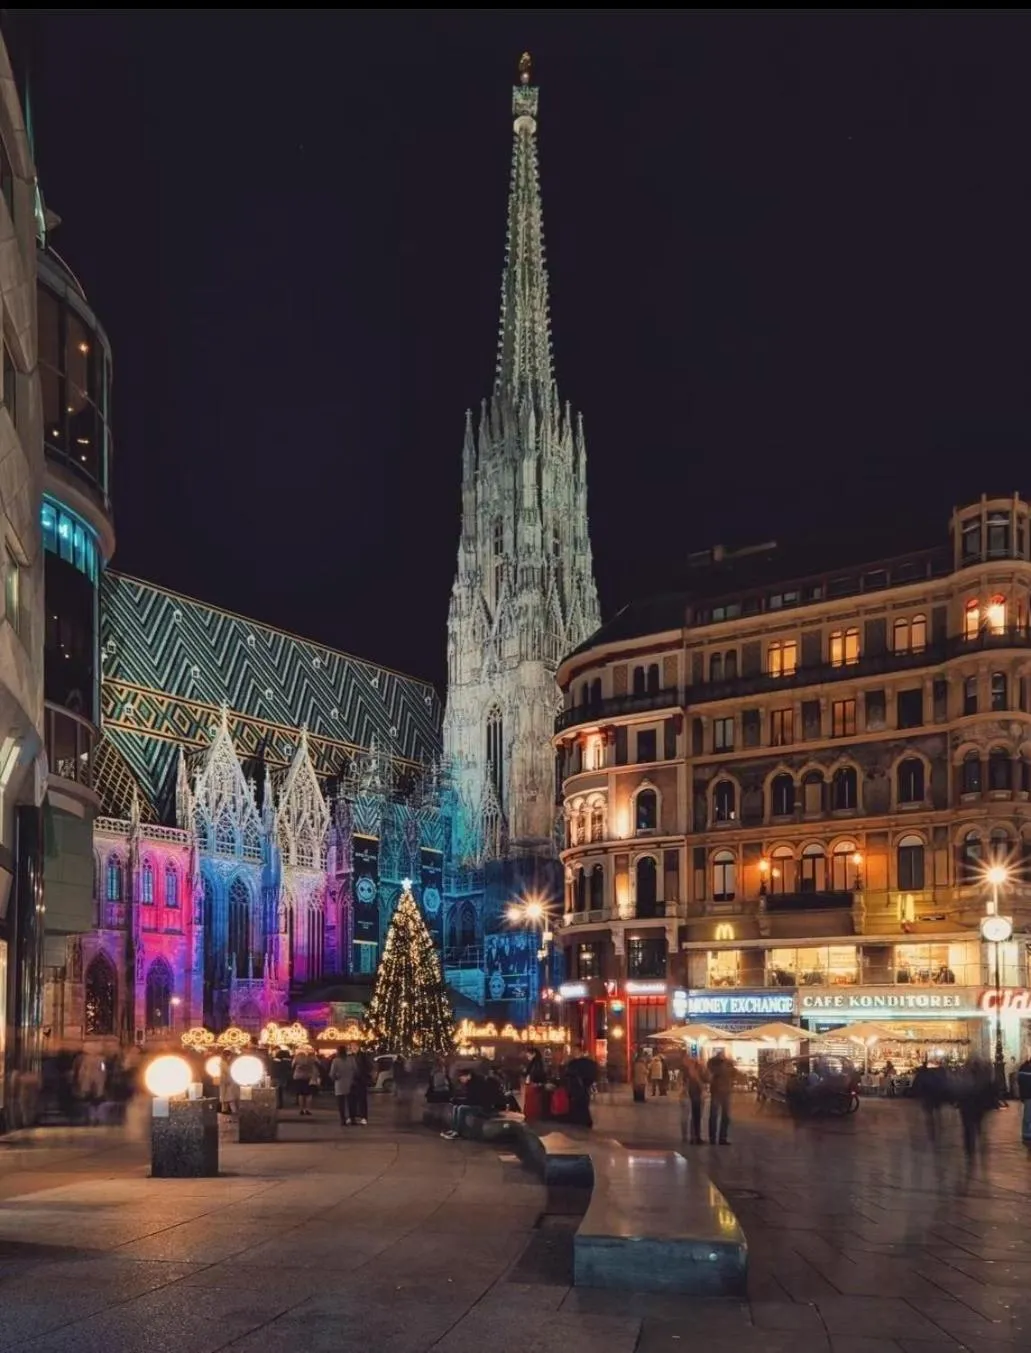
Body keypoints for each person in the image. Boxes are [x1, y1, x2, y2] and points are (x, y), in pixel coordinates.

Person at [564, 1045, 598, 1128]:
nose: (573, 1052)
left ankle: (583, 1121)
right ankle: (582, 1121)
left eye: (575, 1050)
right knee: (580, 1105)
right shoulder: (576, 1063)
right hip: (579, 1087)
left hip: (580, 1087)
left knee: (581, 1105)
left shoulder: (576, 1063)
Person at [706, 1050, 734, 1145]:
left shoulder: (727, 1063)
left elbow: (733, 1073)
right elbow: (712, 1072)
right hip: (717, 1091)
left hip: (725, 1091)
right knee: (714, 1115)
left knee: (725, 1116)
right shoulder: (713, 1063)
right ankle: (713, 1138)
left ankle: (722, 1137)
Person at [680, 1054, 707, 1145]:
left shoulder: (698, 1070)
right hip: (689, 1095)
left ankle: (695, 1136)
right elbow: (684, 1083)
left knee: (696, 1116)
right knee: (688, 1117)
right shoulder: (685, 1071)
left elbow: (705, 1080)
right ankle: (690, 1136)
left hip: (696, 1095)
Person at [329, 1045, 358, 1126]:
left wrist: (335, 1078)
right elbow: (356, 1071)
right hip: (350, 1083)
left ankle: (343, 1119)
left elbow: (332, 1074)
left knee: (341, 1104)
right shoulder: (351, 1060)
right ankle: (352, 1118)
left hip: (339, 1084)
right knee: (351, 1103)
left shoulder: (336, 1061)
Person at [291, 1047, 320, 1117]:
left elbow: (292, 1066)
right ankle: (308, 1109)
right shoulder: (311, 1059)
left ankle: (301, 1109)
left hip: (298, 1077)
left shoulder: (297, 1058)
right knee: (309, 1094)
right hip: (308, 1077)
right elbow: (319, 1064)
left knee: (300, 1094)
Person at [348, 1044, 371, 1125]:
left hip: (361, 1081)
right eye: (352, 1047)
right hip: (351, 1081)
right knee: (351, 1101)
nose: (354, 1048)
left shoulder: (363, 1056)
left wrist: (365, 1076)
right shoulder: (349, 1056)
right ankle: (351, 1117)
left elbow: (368, 1067)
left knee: (362, 1100)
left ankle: (363, 1117)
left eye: (355, 1047)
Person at [1017, 1051, 1031, 1148]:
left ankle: (1026, 1134)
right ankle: (1026, 1135)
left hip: (1026, 1096)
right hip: (1028, 1096)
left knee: (1027, 1116)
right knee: (1028, 1116)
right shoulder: (1025, 1068)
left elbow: (1020, 1083)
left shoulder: (1023, 1067)